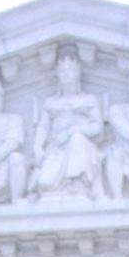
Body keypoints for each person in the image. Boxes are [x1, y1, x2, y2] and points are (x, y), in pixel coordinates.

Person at [31, 51, 105, 200]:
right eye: (63, 71)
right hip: (56, 149)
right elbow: (43, 127)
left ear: (78, 74)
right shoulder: (51, 102)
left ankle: (76, 183)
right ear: (57, 74)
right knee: (45, 184)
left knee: (77, 139)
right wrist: (38, 147)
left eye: (70, 70)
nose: (66, 74)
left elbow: (98, 127)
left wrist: (74, 131)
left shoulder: (88, 99)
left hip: (83, 148)